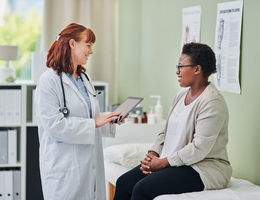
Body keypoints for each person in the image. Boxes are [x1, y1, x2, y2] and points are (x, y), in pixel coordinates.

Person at [114, 42, 232, 200]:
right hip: (174, 162)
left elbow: (199, 148)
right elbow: (166, 132)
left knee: (142, 189)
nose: (177, 71)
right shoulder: (180, 96)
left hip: (201, 167)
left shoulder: (212, 102)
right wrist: (152, 155)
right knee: (124, 182)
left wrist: (162, 163)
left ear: (197, 69)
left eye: (181, 66)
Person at [34, 23, 123, 200]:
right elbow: (54, 126)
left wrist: (108, 120)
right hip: (64, 167)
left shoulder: (84, 78)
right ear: (72, 44)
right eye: (88, 45)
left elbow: (90, 117)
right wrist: (95, 123)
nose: (91, 51)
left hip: (90, 164)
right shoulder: (49, 81)